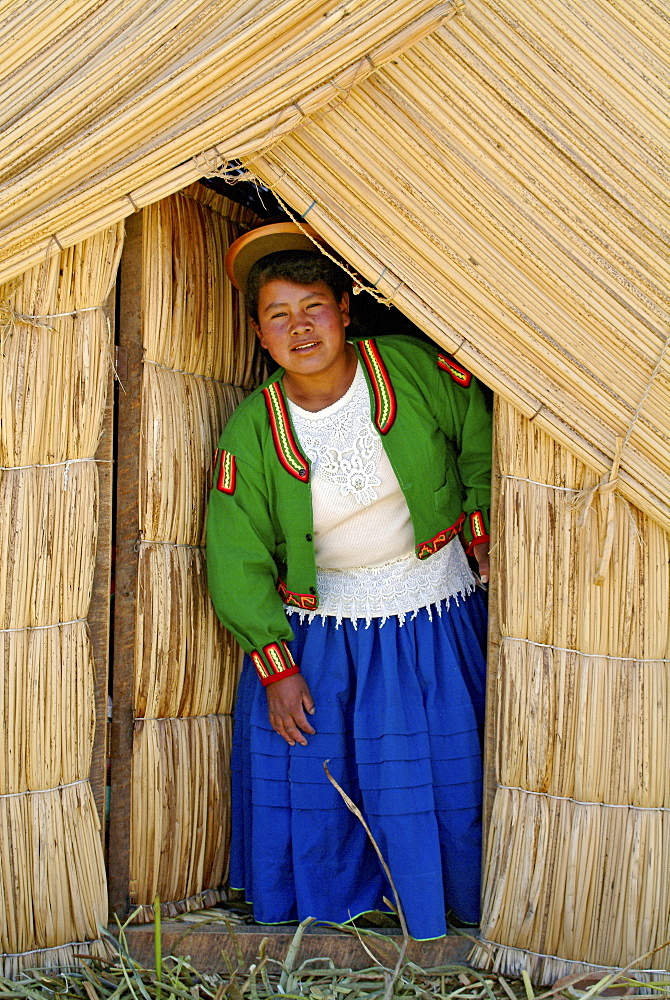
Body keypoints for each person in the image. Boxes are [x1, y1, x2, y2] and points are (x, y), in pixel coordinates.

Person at [206, 223, 492, 940]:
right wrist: (276, 667)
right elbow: (233, 553)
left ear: (345, 308)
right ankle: (345, 911)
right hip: (326, 630)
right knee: (325, 777)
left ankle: (448, 905)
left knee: (446, 769)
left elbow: (479, 434)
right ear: (259, 334)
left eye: (314, 307)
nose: (300, 328)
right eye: (279, 316)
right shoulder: (252, 430)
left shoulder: (410, 370)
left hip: (434, 609)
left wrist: (483, 528)